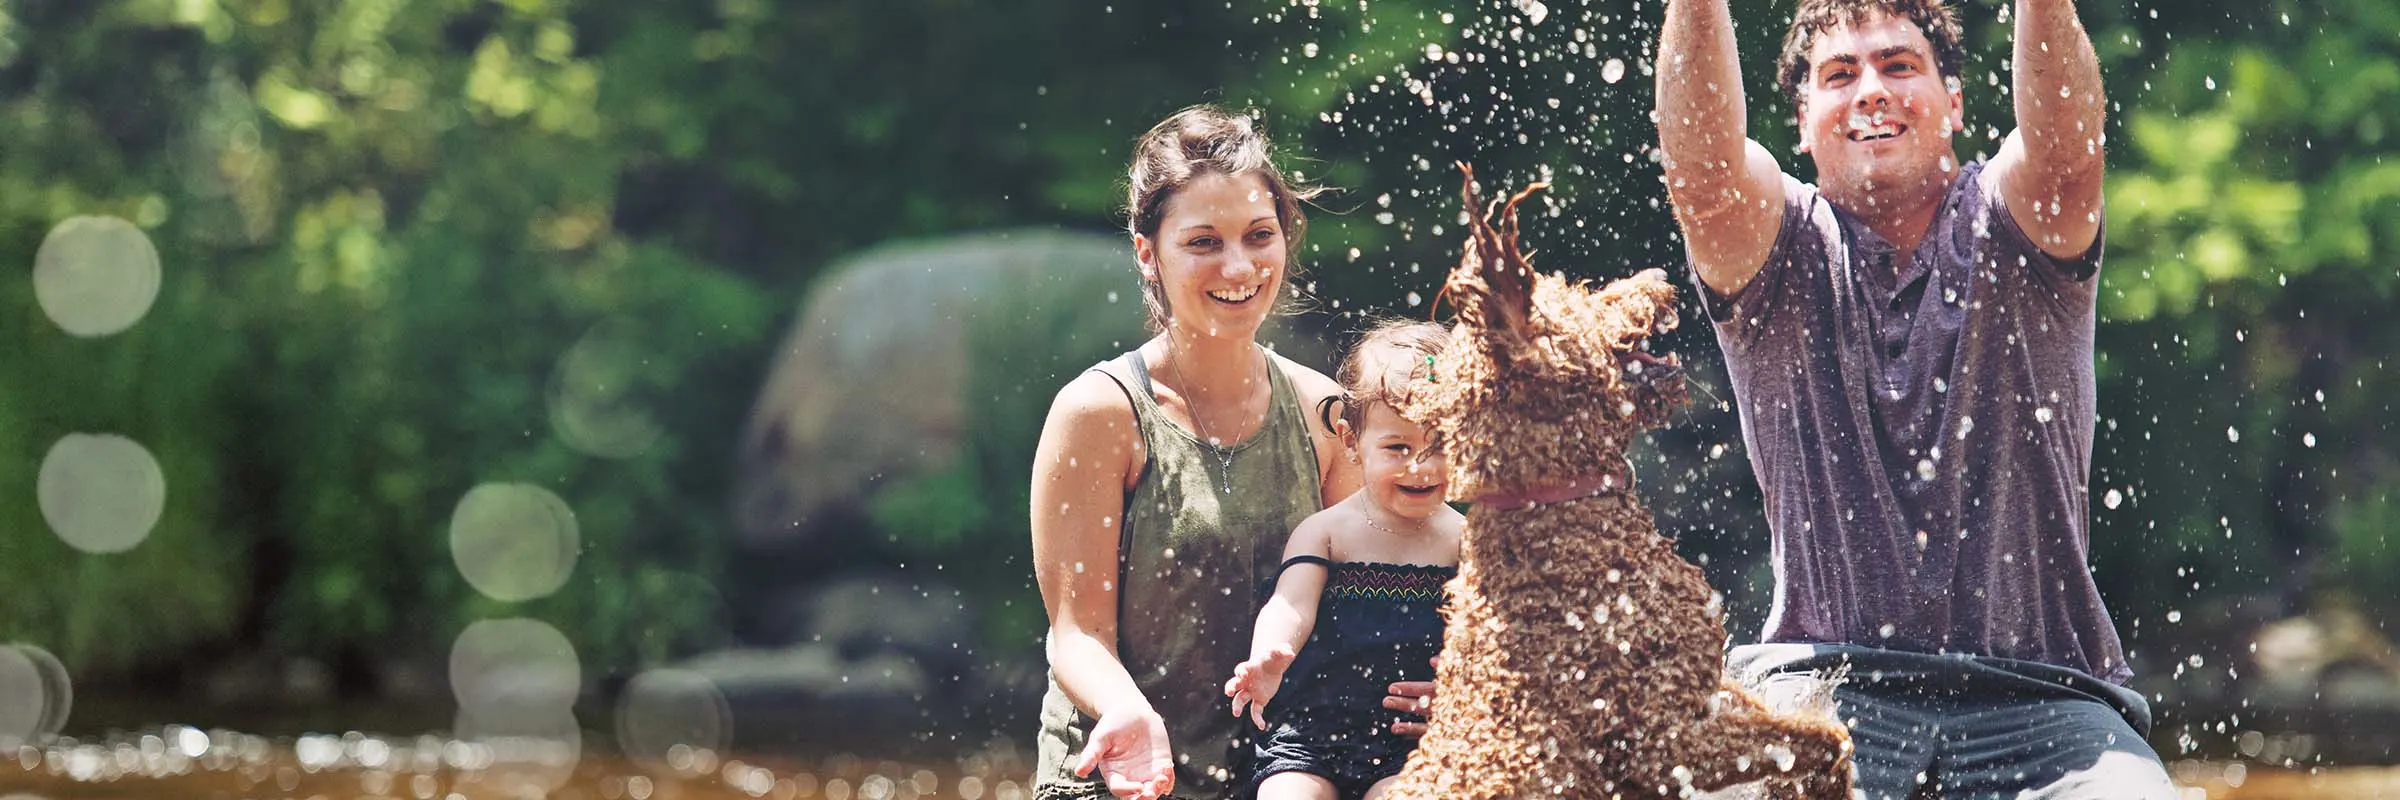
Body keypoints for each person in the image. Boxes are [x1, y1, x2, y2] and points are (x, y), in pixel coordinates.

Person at [1652, 0, 2179, 797]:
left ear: (1955, 104)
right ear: (1802, 120)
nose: (1871, 90)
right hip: (1816, 688)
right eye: (1840, 75)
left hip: (2048, 698)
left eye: (1899, 66)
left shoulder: (2017, 218)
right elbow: (1703, 172)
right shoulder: (1775, 244)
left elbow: (2069, 153)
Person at [1029, 105, 1364, 800]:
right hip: (1114, 775)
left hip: (1279, 780)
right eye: (1204, 242)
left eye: (1259, 236)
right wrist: (1125, 712)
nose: (1239, 265)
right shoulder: (1099, 413)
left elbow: (1372, 597)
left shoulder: (1327, 414)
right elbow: (1077, 633)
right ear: (1148, 253)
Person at [1223, 320, 1463, 800]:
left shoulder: (1466, 540)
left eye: (1441, 444)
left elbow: (1489, 634)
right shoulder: (1328, 531)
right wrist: (1271, 654)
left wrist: (1467, 691)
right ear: (1350, 440)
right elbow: (1291, 604)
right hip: (1314, 728)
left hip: (1415, 740)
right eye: (1398, 448)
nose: (1422, 466)